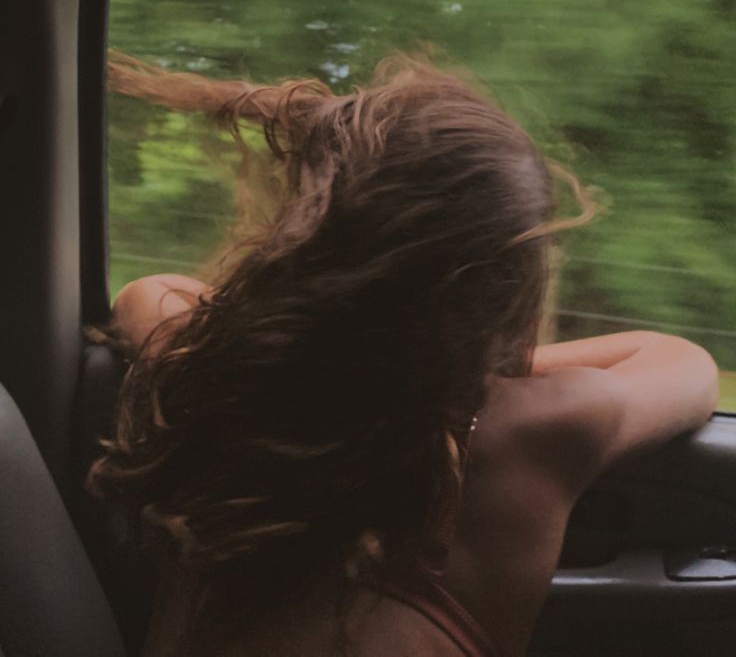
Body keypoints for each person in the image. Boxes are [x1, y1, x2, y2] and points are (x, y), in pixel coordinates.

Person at [91, 52, 719, 657]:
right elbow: (682, 361)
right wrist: (467, 371)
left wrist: (309, 330)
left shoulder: (219, 388)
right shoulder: (527, 433)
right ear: (507, 293)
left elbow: (150, 295)